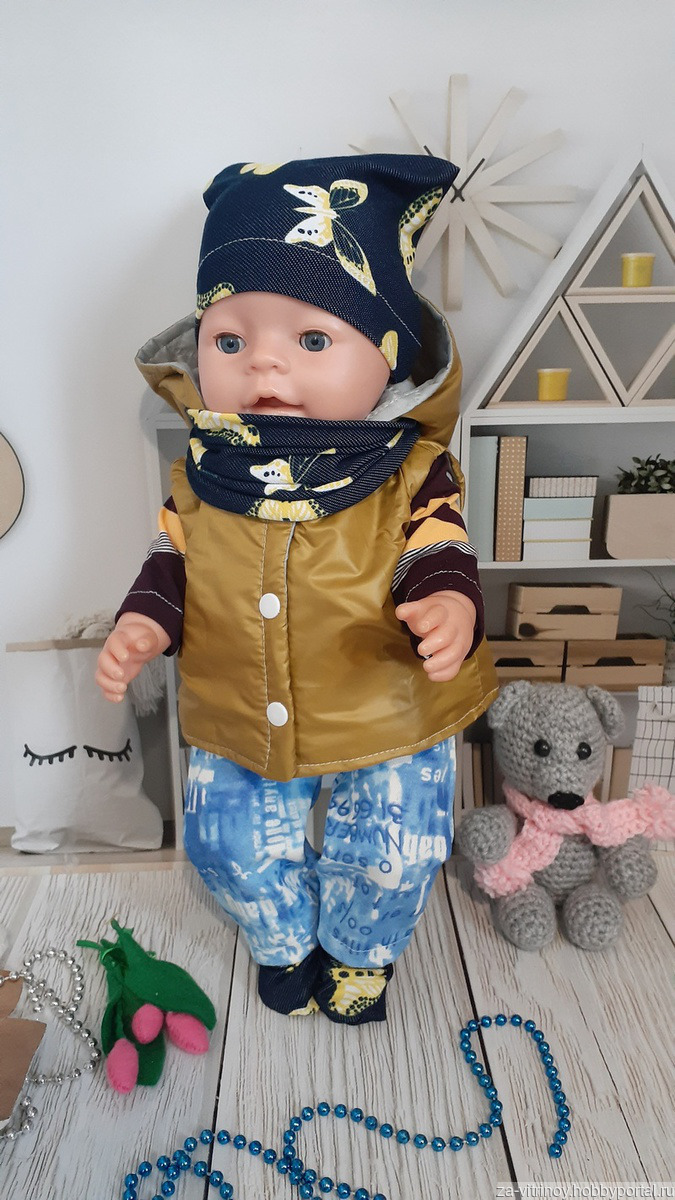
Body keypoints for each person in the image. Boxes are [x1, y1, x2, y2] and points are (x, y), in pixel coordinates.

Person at [96, 155, 498, 1024]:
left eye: (312, 341)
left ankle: (359, 950)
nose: (265, 367)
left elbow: (438, 546)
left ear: (385, 360)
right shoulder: (203, 474)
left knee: (392, 849)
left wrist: (449, 603)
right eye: (230, 342)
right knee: (225, 843)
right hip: (240, 706)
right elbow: (172, 562)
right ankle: (280, 937)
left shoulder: (409, 470)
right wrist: (142, 625)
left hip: (386, 703)